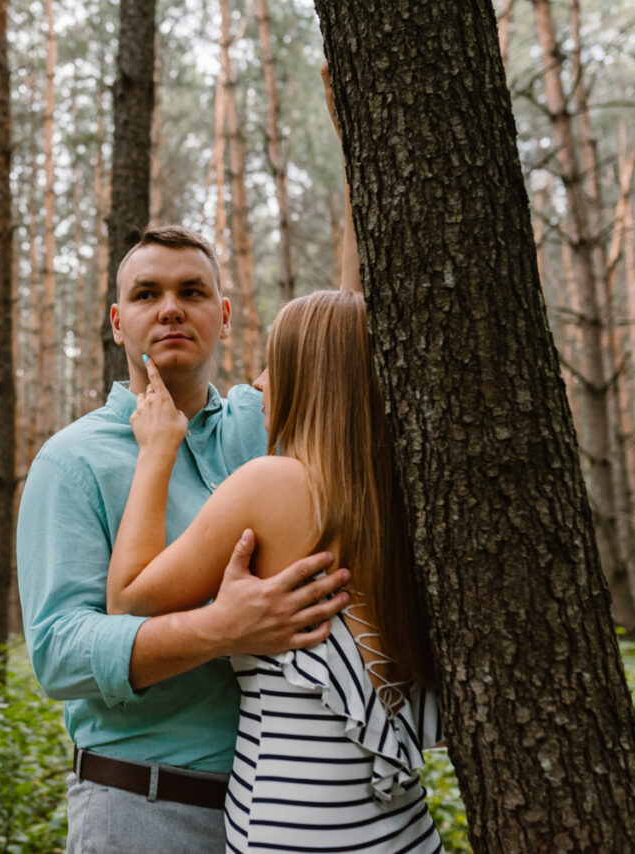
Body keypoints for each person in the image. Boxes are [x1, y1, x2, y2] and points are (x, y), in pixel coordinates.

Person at [16, 225, 351, 853]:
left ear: (222, 316)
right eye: (147, 294)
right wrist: (221, 629)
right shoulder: (71, 461)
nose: (170, 307)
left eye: (191, 291)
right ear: (118, 322)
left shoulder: (270, 424)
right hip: (143, 809)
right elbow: (59, 652)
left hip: (292, 810)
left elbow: (346, 348)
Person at [108, 290, 444, 852]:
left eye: (276, 363)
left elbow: (128, 598)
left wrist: (157, 452)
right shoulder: (402, 499)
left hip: (295, 831)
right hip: (402, 829)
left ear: (313, 376)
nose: (258, 384)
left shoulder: (274, 484)